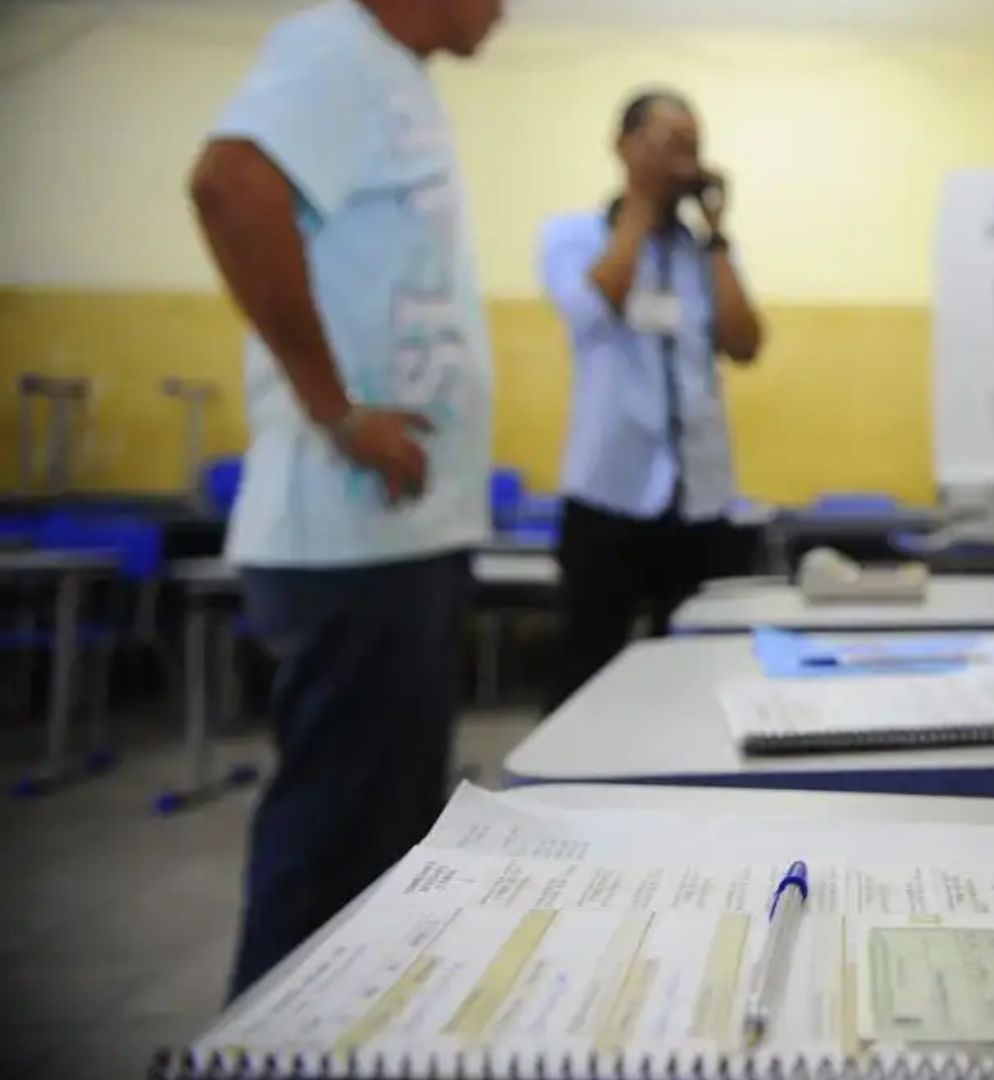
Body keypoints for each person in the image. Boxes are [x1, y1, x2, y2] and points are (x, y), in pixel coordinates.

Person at [188, 0, 503, 997]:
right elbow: (230, 185)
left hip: (397, 534)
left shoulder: (395, 79)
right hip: (350, 534)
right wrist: (335, 411)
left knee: (381, 859)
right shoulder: (338, 47)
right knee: (335, 855)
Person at [539, 90, 766, 709]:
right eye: (668, 143)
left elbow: (745, 343)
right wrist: (639, 203)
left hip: (699, 498)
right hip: (609, 492)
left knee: (697, 676)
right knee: (587, 670)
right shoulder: (571, 237)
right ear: (622, 146)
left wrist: (717, 234)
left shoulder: (704, 256)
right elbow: (594, 305)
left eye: (693, 146)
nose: (684, 161)